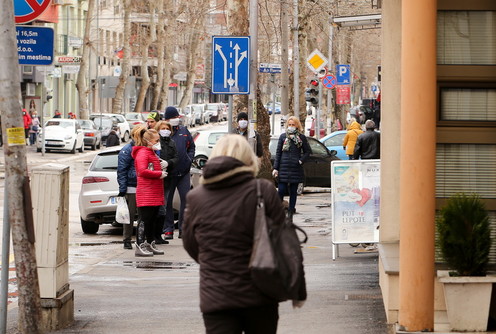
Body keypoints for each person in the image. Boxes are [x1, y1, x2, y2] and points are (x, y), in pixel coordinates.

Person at [183, 134, 286, 334]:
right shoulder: (263, 190)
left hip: (216, 294)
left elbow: (190, 244)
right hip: (261, 293)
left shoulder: (196, 197)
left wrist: (213, 259)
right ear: (249, 159)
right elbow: (280, 238)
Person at [131, 128, 167, 257]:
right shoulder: (143, 153)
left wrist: (162, 165)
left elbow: (151, 167)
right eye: (156, 140)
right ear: (148, 141)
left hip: (154, 192)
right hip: (146, 192)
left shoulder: (151, 153)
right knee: (144, 219)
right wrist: (159, 174)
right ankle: (139, 244)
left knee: (152, 219)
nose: (159, 143)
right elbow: (142, 171)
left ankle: (150, 243)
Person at [163, 106, 195, 239]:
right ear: (167, 119)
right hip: (169, 173)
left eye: (177, 117)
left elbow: (191, 146)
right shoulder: (164, 132)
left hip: (184, 172)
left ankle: (183, 228)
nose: (176, 120)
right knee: (167, 202)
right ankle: (168, 229)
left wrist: (189, 159)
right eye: (173, 118)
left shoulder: (184, 131)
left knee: (186, 200)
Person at [272, 116, 310, 220]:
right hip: (283, 168)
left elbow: (307, 152)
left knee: (293, 191)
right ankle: (278, 210)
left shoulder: (301, 138)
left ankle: (291, 211)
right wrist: (275, 168)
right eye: (290, 124)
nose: (291, 126)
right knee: (281, 190)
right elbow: (278, 153)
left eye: (293, 125)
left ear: (297, 125)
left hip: (295, 168)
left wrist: (300, 160)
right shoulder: (283, 137)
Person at [117, 126, 144, 250]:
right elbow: (122, 170)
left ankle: (141, 239)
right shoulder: (127, 150)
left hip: (144, 185)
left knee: (143, 216)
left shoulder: (145, 148)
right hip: (132, 187)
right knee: (129, 216)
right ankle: (127, 240)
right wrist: (123, 189)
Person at [153, 120, 178, 244]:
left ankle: (158, 235)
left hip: (168, 178)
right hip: (156, 179)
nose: (165, 130)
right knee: (157, 208)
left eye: (167, 128)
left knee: (163, 207)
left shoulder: (172, 142)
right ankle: (154, 235)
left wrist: (169, 163)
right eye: (162, 128)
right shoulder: (156, 143)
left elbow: (176, 157)